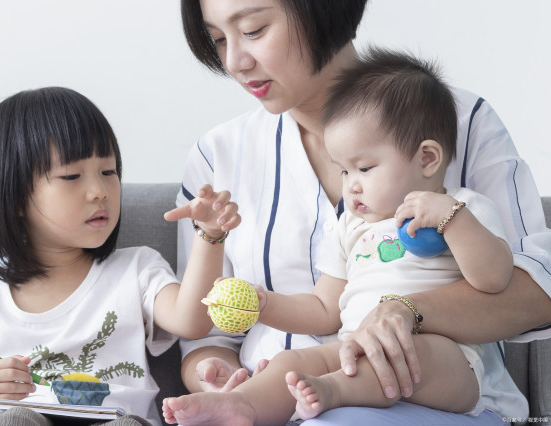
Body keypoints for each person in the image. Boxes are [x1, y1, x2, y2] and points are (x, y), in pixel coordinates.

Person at [174, 0, 551, 424]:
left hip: (439, 391)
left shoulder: (459, 124)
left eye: (254, 30)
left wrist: (407, 310)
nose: (234, 62)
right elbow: (210, 333)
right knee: (295, 369)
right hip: (287, 397)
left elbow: (537, 286)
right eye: (218, 39)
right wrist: (224, 375)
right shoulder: (217, 154)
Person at [0, 87, 241, 426]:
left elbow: (192, 321)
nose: (99, 191)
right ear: (14, 197)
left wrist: (210, 234)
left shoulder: (137, 268)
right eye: (71, 176)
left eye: (109, 172)